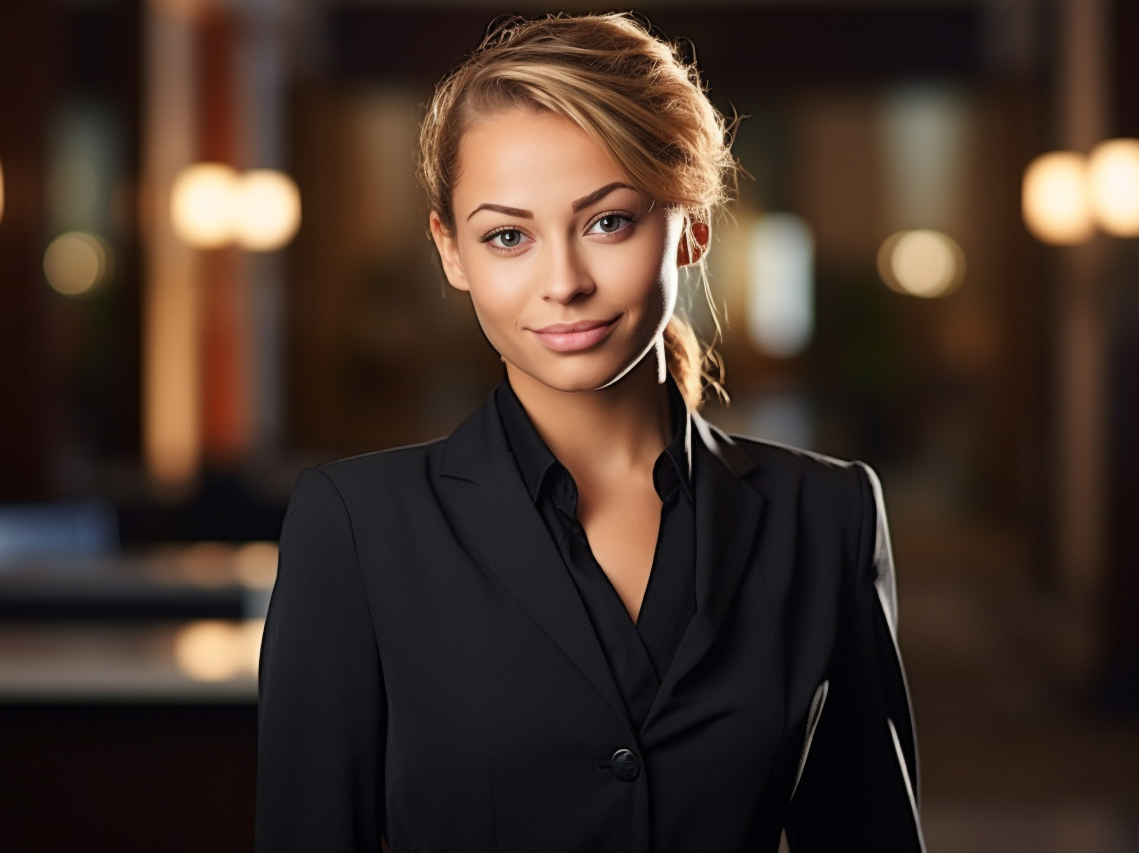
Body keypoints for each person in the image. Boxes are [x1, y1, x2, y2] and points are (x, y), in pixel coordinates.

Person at [256, 12, 924, 852]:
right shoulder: (356, 527)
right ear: (451, 252)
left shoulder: (825, 516)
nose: (564, 282)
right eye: (508, 236)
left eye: (608, 221)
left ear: (692, 224)